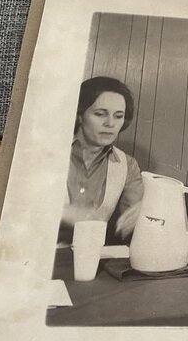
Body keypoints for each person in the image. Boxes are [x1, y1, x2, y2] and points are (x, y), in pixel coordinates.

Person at [59, 76, 143, 244]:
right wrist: (63, 212)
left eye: (118, 116)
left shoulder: (128, 165)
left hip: (92, 258)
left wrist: (143, 216)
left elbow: (133, 223)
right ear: (80, 115)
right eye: (100, 114)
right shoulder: (47, 152)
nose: (110, 123)